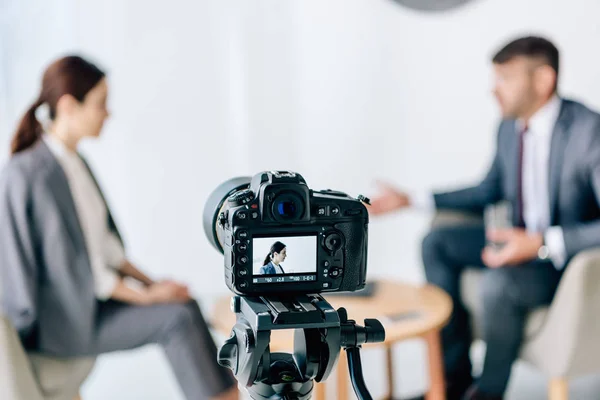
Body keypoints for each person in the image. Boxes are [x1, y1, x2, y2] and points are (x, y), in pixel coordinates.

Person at [370, 36, 600, 400]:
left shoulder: (589, 131)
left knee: (498, 284)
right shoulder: (509, 128)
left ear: (543, 80)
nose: (494, 90)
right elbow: (487, 190)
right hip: (518, 240)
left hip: (564, 261)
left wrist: (541, 242)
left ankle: (488, 394)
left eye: (505, 78)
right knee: (437, 243)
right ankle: (452, 378)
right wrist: (410, 200)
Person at [0, 55, 238, 400]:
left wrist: (154, 284)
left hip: (91, 303)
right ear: (69, 105)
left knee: (184, 307)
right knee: (178, 321)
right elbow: (87, 271)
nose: (107, 113)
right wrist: (148, 297)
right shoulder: (31, 172)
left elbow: (108, 251)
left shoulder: (74, 163)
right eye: (100, 103)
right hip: (63, 320)